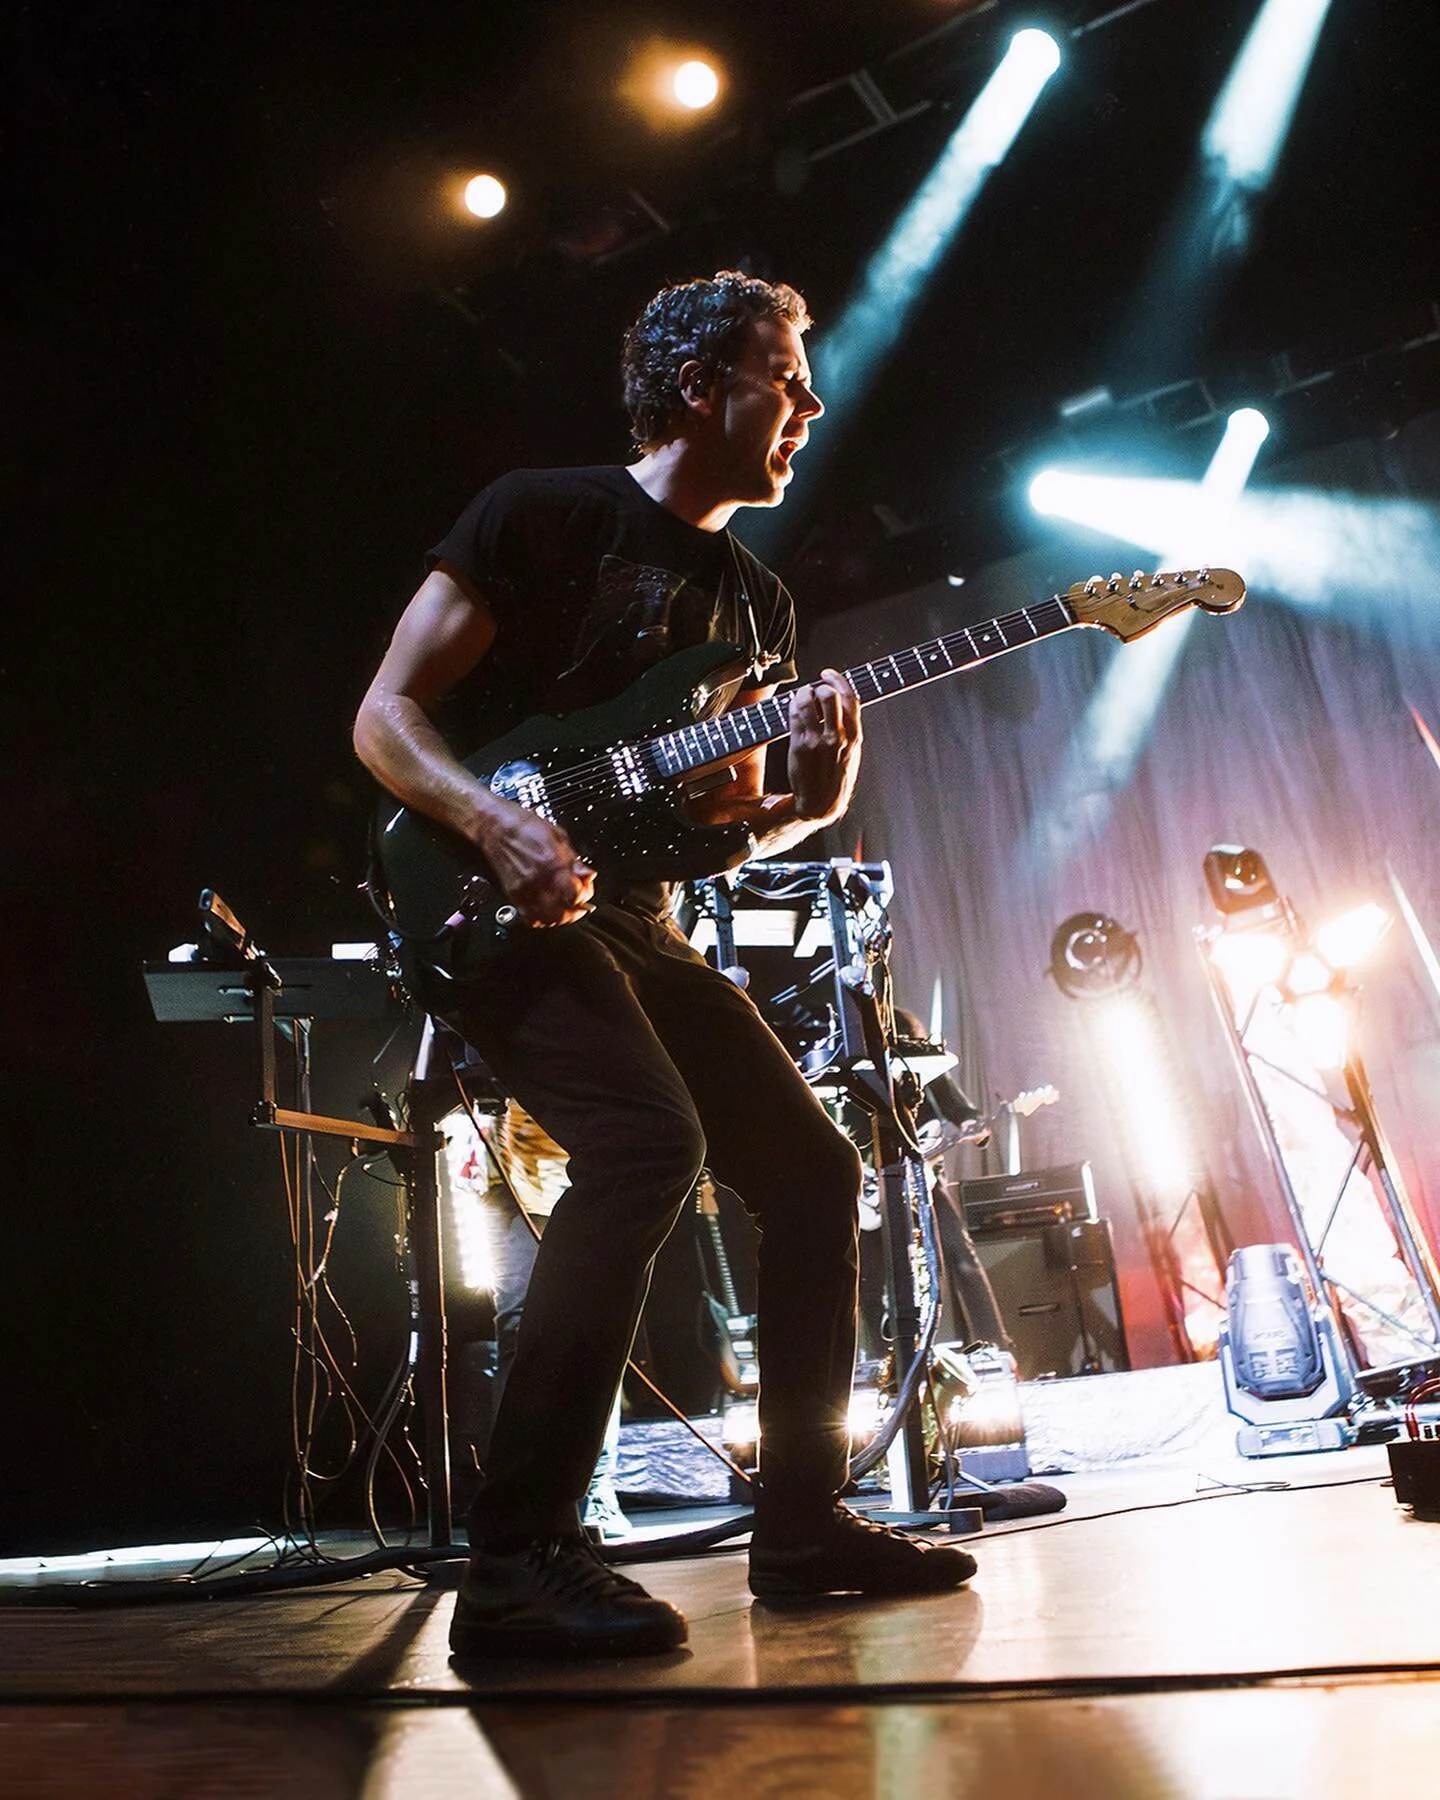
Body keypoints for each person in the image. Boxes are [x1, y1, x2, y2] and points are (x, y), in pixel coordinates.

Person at [353, 270, 976, 1661]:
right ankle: (516, 1562)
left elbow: (708, 836)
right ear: (702, 386)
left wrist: (799, 808)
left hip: (628, 915)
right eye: (784, 378)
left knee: (813, 1170)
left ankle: (804, 1526)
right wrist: (493, 823)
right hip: (478, 894)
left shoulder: (756, 606)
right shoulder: (542, 514)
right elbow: (387, 717)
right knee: (645, 1149)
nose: (810, 408)